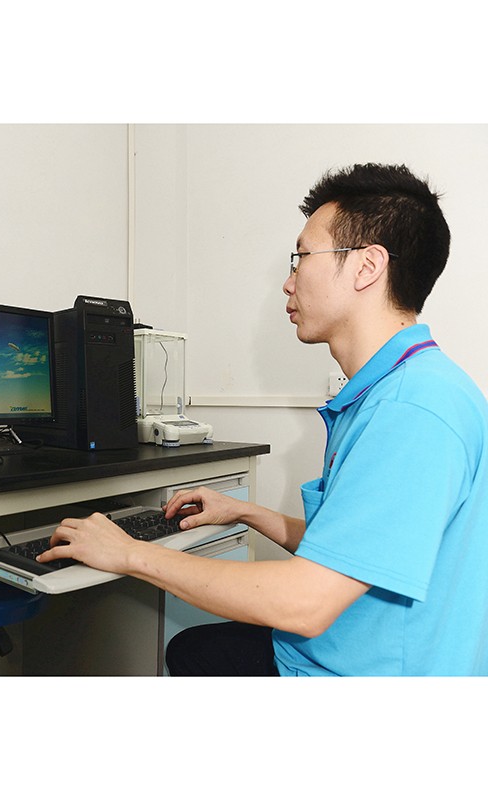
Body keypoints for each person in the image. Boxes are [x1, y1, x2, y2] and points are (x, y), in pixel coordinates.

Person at [38, 163, 488, 676]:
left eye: (302, 258)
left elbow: (305, 603)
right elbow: (355, 549)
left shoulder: (410, 411)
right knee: (195, 649)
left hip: (361, 671)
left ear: (367, 266)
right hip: (357, 650)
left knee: (192, 652)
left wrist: (128, 553)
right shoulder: (406, 388)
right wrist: (247, 512)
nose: (288, 283)